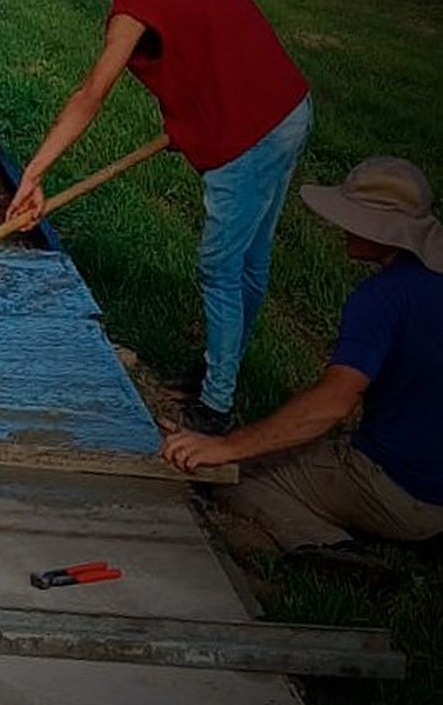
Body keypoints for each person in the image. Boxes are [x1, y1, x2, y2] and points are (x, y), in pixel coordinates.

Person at [10, 0, 311, 434]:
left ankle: (215, 407)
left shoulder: (133, 7)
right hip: (290, 109)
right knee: (250, 260)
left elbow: (90, 96)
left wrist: (34, 172)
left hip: (245, 136)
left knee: (220, 266)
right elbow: (214, 28)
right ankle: (225, 366)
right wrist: (191, 115)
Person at [162, 157, 443, 557]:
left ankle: (328, 545)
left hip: (405, 490)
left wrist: (227, 447)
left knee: (237, 475)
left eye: (354, 219)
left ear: (383, 232)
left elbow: (332, 405)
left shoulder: (382, 300)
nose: (342, 227)